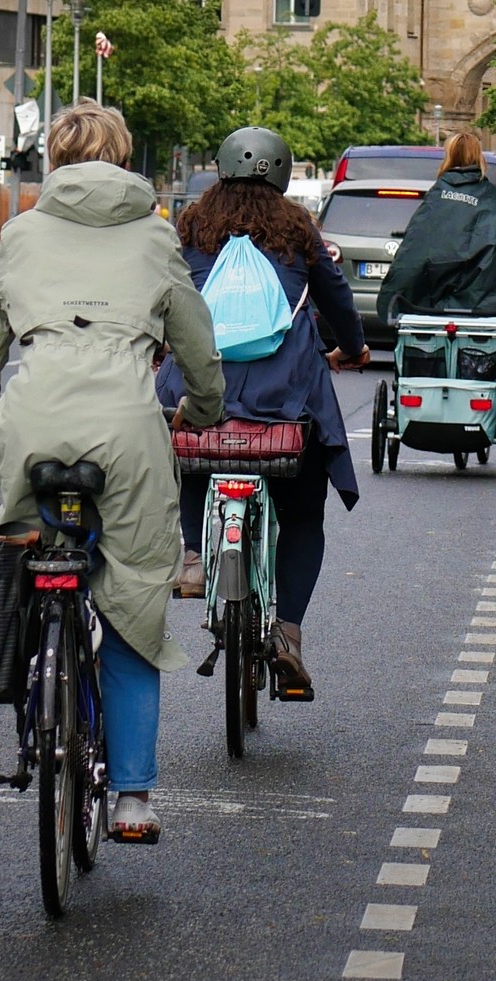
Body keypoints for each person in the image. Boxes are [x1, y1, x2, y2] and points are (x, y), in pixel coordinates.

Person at [0, 102, 225, 844]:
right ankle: (133, 799)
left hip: (33, 422)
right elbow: (195, 342)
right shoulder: (155, 235)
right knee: (134, 603)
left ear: (54, 160)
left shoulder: (21, 233)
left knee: (26, 561)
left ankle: (38, 684)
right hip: (128, 429)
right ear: (125, 159)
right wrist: (203, 409)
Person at [155, 126, 370, 701]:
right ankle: (289, 634)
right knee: (302, 514)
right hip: (284, 400)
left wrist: (159, 348)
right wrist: (351, 348)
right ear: (283, 173)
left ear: (221, 167)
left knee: (191, 447)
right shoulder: (298, 229)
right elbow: (336, 300)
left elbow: (164, 298)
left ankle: (195, 555)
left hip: (202, 389)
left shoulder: (191, 227)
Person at [376, 132, 496, 327]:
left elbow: (413, 255)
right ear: (479, 157)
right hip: (484, 312)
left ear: (449, 157)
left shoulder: (437, 199)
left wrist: (391, 300)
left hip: (431, 310)